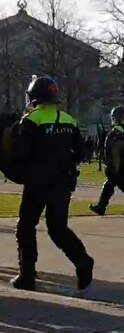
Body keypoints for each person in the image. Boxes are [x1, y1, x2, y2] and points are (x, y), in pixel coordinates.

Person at [9, 76, 94, 290]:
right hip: (62, 182)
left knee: (26, 227)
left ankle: (26, 275)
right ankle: (82, 260)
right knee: (58, 228)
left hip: (38, 181)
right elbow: (82, 152)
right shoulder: (68, 119)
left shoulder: (31, 119)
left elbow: (20, 152)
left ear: (33, 97)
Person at [89, 105, 124, 217]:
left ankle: (101, 206)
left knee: (109, 183)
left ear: (116, 118)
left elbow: (109, 151)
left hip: (122, 167)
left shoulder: (115, 131)